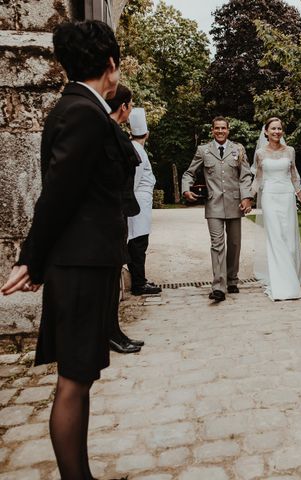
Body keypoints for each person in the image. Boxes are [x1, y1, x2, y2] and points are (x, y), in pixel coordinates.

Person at [1, 20, 126, 479]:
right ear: (110, 64)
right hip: (80, 263)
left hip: (84, 261)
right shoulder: (82, 113)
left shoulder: (81, 107)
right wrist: (31, 257)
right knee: (74, 379)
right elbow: (57, 195)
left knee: (82, 375)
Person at [182, 116, 253, 303]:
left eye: (223, 128)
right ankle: (218, 287)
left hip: (235, 203)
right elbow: (189, 173)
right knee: (217, 244)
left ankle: (232, 279)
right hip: (213, 204)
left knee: (235, 244)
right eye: (217, 128)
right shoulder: (203, 150)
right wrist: (186, 189)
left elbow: (245, 176)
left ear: (228, 130)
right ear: (212, 130)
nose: (220, 131)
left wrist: (247, 197)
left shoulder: (238, 149)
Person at [105, 84, 145, 354]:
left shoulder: (113, 132)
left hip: (116, 211)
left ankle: (113, 330)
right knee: (108, 280)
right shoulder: (109, 132)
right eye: (130, 106)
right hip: (108, 213)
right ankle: (110, 333)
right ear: (124, 107)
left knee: (111, 278)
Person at [252, 117, 301, 300]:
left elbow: (294, 176)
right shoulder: (260, 153)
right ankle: (282, 283)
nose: (277, 132)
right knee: (275, 238)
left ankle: (292, 274)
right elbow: (258, 179)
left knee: (290, 239)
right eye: (273, 129)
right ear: (266, 132)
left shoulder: (290, 151)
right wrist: (247, 198)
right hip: (269, 197)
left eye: (279, 128)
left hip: (287, 197)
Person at [126, 107, 162, 297]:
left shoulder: (135, 148)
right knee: (138, 243)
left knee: (138, 242)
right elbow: (135, 181)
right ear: (147, 133)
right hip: (138, 204)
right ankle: (139, 283)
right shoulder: (138, 151)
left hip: (141, 203)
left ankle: (140, 279)